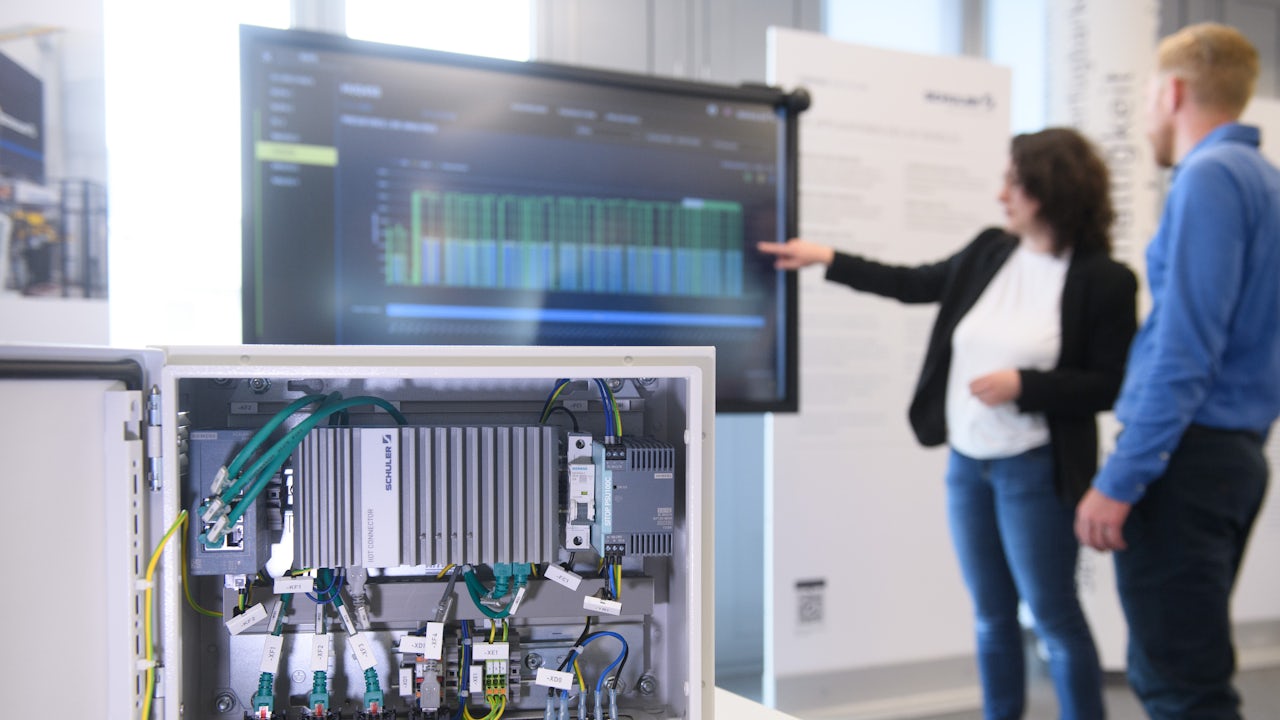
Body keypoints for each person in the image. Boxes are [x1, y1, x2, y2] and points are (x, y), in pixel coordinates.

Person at [759, 127, 1137, 720]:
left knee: (1055, 616)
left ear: (1049, 189)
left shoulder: (1105, 280)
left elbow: (1111, 383)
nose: (1000, 195)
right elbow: (914, 283)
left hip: (1035, 469)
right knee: (990, 616)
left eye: (1013, 182)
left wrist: (1025, 385)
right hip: (968, 464)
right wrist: (825, 257)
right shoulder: (991, 249)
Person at [1074, 22, 1280, 720]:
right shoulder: (1264, 180)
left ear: (1174, 90)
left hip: (1185, 464)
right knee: (1185, 666)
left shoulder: (1212, 177)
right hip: (1230, 457)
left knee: (1180, 687)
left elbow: (1185, 348)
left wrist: (1120, 477)